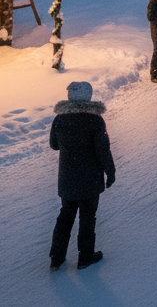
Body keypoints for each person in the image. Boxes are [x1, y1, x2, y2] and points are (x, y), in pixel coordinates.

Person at [48, 81, 115, 271]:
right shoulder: (94, 120)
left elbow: (54, 145)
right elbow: (103, 150)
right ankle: (85, 256)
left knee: (65, 216)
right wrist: (110, 171)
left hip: (68, 178)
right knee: (87, 216)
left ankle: (56, 257)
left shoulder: (60, 119)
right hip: (90, 178)